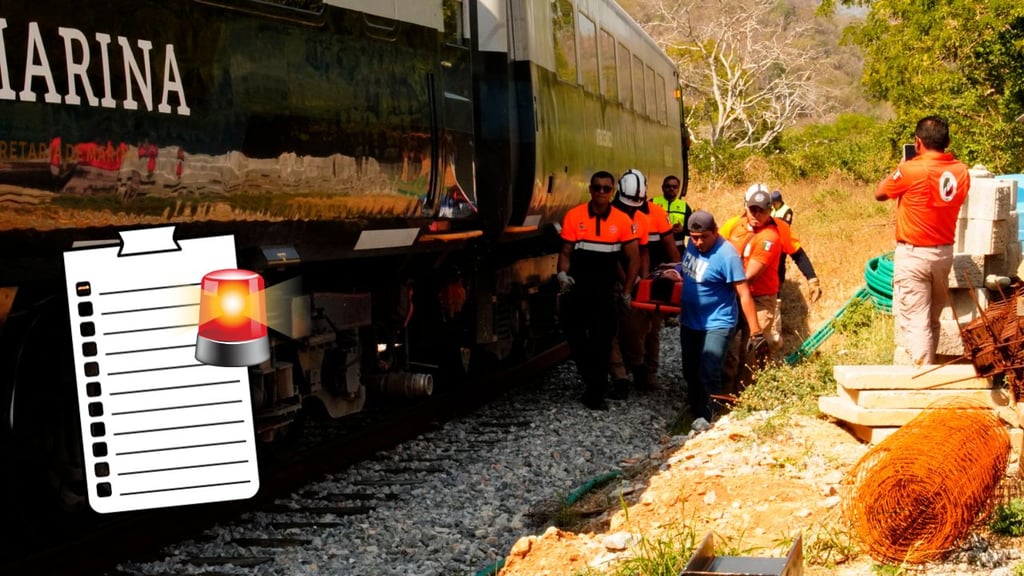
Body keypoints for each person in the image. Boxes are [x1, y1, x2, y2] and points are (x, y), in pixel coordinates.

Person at [875, 115, 970, 366]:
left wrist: (900, 168)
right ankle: (930, 368)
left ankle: (922, 376)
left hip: (914, 255)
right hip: (944, 255)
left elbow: (880, 193)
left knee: (916, 321)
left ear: (918, 142)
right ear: (947, 141)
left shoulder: (910, 170)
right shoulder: (961, 171)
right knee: (931, 320)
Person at [661, 210, 762, 430]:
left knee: (709, 370)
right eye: (694, 237)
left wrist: (756, 331)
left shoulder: (727, 255)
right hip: (690, 320)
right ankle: (694, 410)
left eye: (704, 237)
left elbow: (743, 292)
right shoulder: (692, 245)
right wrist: (674, 272)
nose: (699, 242)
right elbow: (689, 272)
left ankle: (709, 417)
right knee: (690, 369)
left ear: (715, 231)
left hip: (718, 322)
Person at [557, 171, 641, 410]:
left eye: (606, 188)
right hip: (577, 289)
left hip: (605, 291)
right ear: (590, 189)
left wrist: (626, 291)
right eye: (597, 187)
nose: (601, 192)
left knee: (602, 341)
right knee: (575, 337)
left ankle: (595, 393)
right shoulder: (574, 216)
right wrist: (562, 274)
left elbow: (633, 258)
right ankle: (593, 382)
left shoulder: (622, 220)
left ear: (612, 191)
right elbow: (566, 252)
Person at [607, 169, 681, 398]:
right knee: (616, 329)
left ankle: (645, 373)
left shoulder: (648, 215)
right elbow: (614, 258)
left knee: (649, 329)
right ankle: (624, 375)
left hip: (644, 279)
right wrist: (629, 284)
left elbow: (646, 252)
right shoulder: (611, 215)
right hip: (616, 279)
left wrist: (645, 280)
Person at [719, 184, 782, 394]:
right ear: (745, 207)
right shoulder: (736, 226)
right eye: (752, 209)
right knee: (727, 346)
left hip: (759, 299)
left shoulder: (769, 237)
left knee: (752, 349)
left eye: (761, 210)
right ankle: (724, 395)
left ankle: (746, 396)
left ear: (770, 211)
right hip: (734, 294)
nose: (756, 214)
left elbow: (749, 276)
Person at [652, 175, 691, 250]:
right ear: (662, 188)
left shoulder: (684, 206)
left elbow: (691, 230)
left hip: (677, 248)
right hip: (655, 248)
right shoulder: (652, 203)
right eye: (668, 186)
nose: (671, 189)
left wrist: (682, 230)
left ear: (678, 189)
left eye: (674, 187)